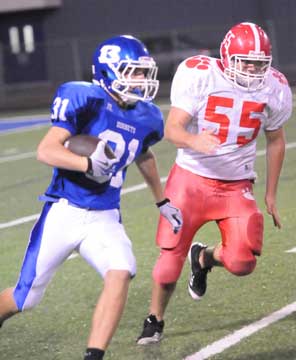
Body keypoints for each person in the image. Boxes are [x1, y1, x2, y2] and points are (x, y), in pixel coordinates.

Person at [0, 35, 182, 359]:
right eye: (133, 72)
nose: (141, 80)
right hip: (65, 210)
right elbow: (46, 150)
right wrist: (87, 163)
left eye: (143, 72)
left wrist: (162, 201)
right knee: (24, 299)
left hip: (104, 215)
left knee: (121, 268)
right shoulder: (85, 97)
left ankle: (93, 356)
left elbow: (144, 155)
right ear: (110, 71)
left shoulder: (147, 116)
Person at [137, 22, 292, 344]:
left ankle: (204, 258)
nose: (252, 69)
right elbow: (173, 130)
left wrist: (272, 194)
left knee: (242, 262)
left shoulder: (274, 87)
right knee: (167, 265)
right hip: (190, 180)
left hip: (236, 185)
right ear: (226, 56)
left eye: (259, 63)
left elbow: (276, 140)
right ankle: (155, 319)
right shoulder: (200, 74)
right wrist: (194, 141)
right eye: (244, 61)